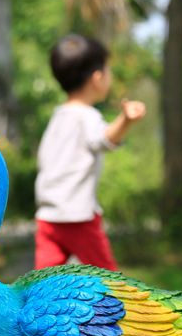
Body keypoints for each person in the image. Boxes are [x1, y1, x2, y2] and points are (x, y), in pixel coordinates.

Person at [34, 33, 146, 271]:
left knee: (45, 281)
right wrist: (125, 120)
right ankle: (124, 308)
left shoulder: (58, 116)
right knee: (109, 281)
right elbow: (104, 140)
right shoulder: (86, 116)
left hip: (48, 218)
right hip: (79, 217)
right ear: (98, 78)